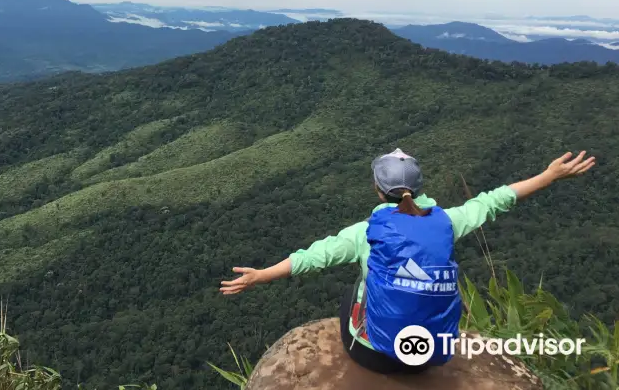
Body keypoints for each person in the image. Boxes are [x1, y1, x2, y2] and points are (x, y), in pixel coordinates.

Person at [220, 149, 596, 374]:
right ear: (419, 189)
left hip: (375, 355)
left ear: (377, 189)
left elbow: (311, 258)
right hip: (431, 354)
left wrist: (260, 275)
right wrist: (549, 175)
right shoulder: (448, 221)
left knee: (357, 287)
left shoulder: (365, 232)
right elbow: (495, 200)